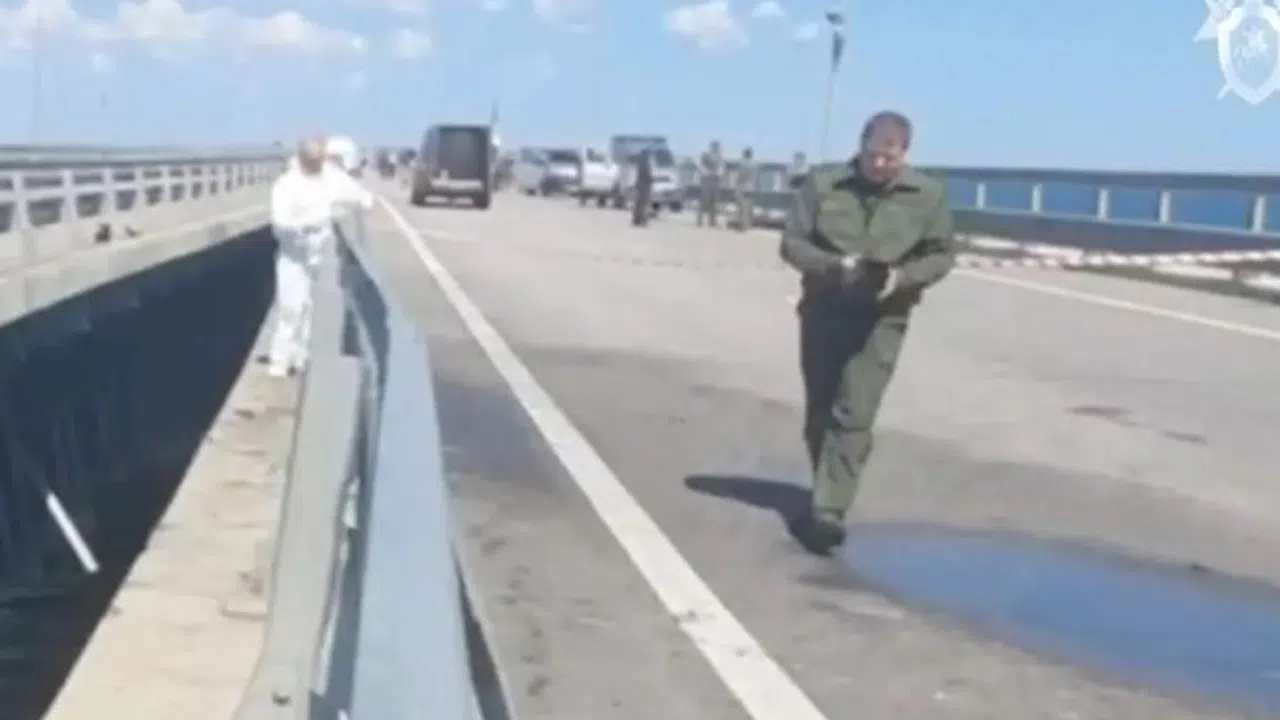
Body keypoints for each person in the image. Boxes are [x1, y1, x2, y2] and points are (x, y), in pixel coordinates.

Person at [779, 111, 956, 555]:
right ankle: (827, 485)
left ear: (904, 154)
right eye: (872, 155)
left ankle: (828, 512)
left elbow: (941, 254)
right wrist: (833, 267)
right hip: (825, 307)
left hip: (883, 318)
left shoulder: (928, 195)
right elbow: (792, 243)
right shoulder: (824, 184)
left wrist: (903, 277)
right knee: (821, 409)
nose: (878, 165)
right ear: (860, 146)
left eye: (888, 158)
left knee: (854, 411)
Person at [266, 136, 374, 378]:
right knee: (291, 308)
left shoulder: (329, 178)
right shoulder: (287, 184)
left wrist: (360, 202)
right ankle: (280, 360)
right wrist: (303, 228)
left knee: (307, 306)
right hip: (293, 255)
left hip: (317, 253)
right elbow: (280, 222)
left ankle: (300, 357)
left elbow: (356, 195)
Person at [696, 141, 724, 228]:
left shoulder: (719, 156)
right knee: (704, 200)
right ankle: (699, 221)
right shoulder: (705, 155)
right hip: (706, 180)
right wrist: (707, 172)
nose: (716, 148)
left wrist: (719, 173)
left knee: (714, 202)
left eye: (717, 147)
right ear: (712, 147)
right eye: (715, 146)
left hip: (715, 181)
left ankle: (712, 222)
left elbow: (722, 168)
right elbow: (701, 166)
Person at [732, 147, 755, 232]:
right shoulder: (754, 164)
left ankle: (741, 226)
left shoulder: (743, 163)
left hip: (742, 186)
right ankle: (747, 225)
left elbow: (740, 176)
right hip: (750, 187)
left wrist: (736, 184)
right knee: (748, 207)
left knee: (741, 207)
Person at [632, 148, 654, 227]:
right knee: (644, 203)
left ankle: (637, 220)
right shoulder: (645, 163)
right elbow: (646, 174)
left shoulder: (640, 162)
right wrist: (651, 179)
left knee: (639, 203)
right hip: (644, 185)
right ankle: (642, 220)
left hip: (640, 185)